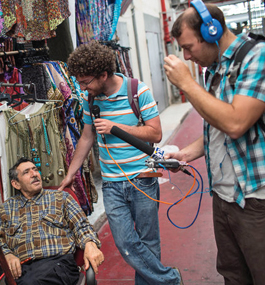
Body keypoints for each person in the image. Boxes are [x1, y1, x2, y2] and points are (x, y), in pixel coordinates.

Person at [58, 40, 183, 285]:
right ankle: (169, 279)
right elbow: (86, 137)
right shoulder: (89, 98)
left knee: (148, 243)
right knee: (125, 242)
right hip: (112, 184)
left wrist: (116, 128)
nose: (82, 87)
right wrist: (71, 173)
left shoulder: (138, 91)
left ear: (103, 74)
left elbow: (155, 133)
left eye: (85, 81)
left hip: (143, 180)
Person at [164, 1, 265, 284]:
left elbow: (235, 124)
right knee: (233, 274)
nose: (185, 56)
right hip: (223, 196)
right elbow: (217, 128)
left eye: (188, 47)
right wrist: (184, 154)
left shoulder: (256, 57)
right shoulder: (217, 67)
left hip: (255, 197)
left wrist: (187, 84)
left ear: (212, 32)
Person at [0, 157, 104, 284]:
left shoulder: (61, 198)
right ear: (16, 184)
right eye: (26, 172)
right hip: (23, 270)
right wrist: (6, 255)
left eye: (35, 169)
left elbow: (82, 225)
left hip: (58, 263)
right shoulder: (6, 208)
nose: (34, 174)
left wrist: (90, 243)